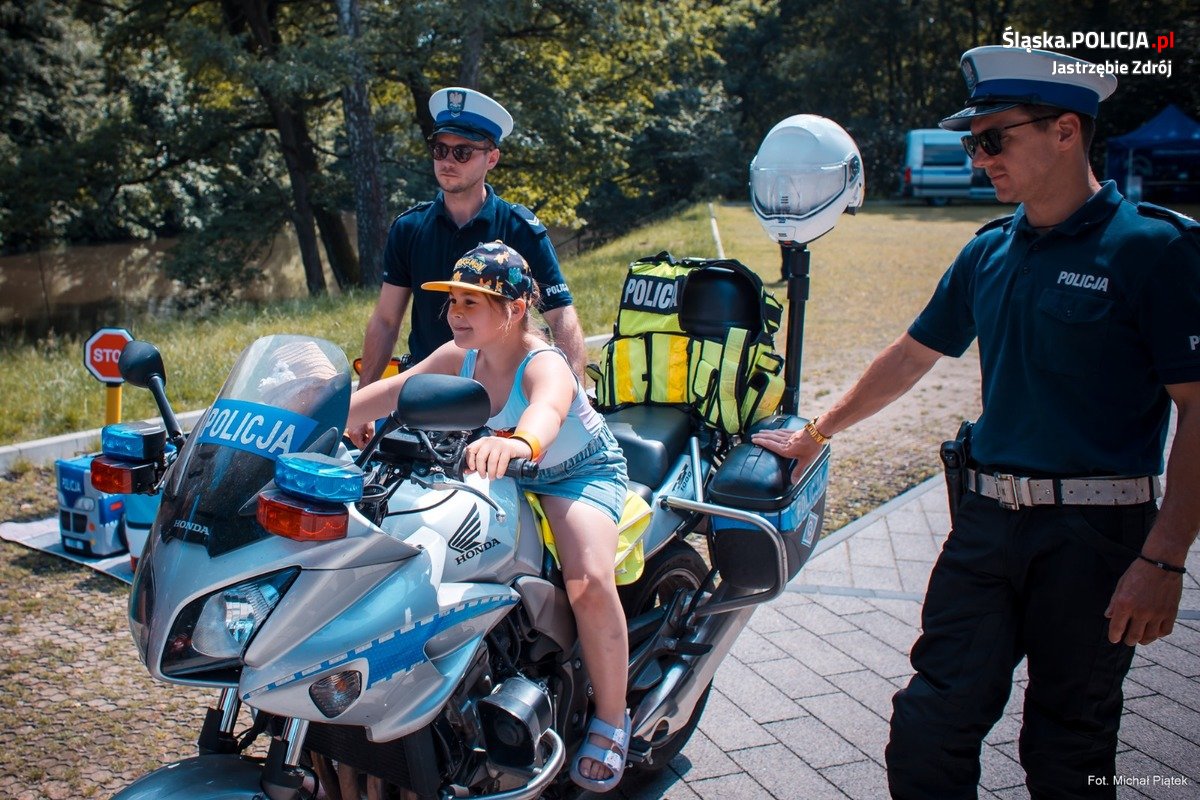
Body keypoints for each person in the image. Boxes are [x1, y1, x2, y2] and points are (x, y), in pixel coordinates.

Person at [753, 45, 1200, 799]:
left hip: (1098, 543)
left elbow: (1197, 408)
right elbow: (913, 355)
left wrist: (1164, 560)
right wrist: (819, 431)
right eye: (971, 143)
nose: (979, 158)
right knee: (930, 724)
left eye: (993, 139)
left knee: (1071, 743)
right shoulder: (989, 249)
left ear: (1065, 130)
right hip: (986, 526)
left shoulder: (1154, 250)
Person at [348, 241, 633, 793]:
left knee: (589, 581)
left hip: (573, 472)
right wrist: (311, 421)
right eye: (453, 301)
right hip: (496, 468)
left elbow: (547, 410)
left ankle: (612, 717)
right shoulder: (461, 356)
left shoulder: (542, 361)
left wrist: (521, 442)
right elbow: (392, 391)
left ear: (515, 310)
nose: (455, 313)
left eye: (472, 302)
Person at [357, 86, 586, 389]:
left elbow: (561, 316)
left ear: (491, 159)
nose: (448, 161)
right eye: (440, 150)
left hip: (503, 395)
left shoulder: (519, 228)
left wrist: (575, 398)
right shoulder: (409, 228)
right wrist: (365, 396)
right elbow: (386, 321)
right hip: (430, 390)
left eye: (462, 152)